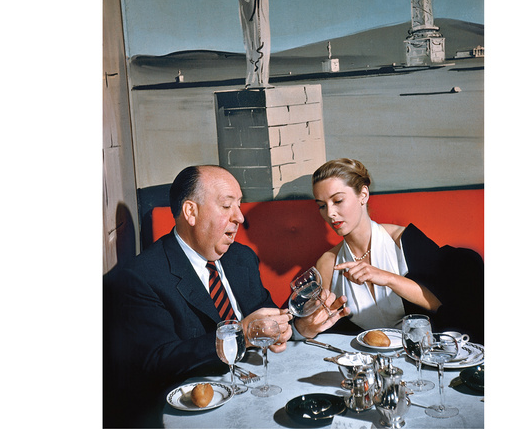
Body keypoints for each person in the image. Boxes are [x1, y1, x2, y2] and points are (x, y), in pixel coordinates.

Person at [103, 164, 345, 427]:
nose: (239, 217)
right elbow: (158, 362)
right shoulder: (141, 277)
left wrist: (298, 328)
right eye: (227, 206)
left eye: (239, 205)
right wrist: (239, 335)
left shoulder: (242, 258)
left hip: (256, 391)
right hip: (195, 415)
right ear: (191, 212)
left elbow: (265, 321)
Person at [309, 158, 484, 343]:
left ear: (363, 195)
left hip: (421, 349)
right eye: (322, 205)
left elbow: (444, 306)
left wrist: (388, 278)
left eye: (338, 200)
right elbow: (317, 325)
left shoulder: (403, 240)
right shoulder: (328, 263)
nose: (329, 213)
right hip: (363, 355)